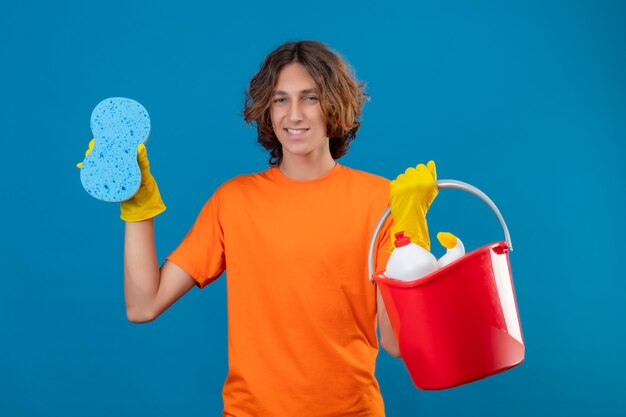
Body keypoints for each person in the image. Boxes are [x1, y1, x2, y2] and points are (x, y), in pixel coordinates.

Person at [82, 40, 438, 416]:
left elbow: (396, 342)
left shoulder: (381, 200)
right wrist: (139, 208)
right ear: (267, 110)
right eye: (281, 99)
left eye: (311, 97)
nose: (294, 115)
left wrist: (411, 235)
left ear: (334, 105)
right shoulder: (234, 201)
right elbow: (143, 305)